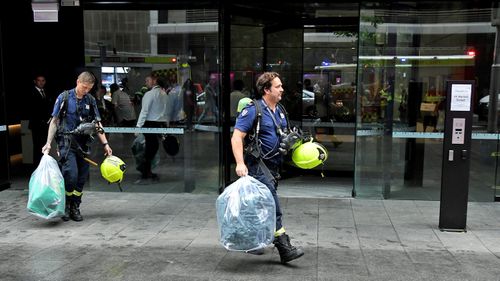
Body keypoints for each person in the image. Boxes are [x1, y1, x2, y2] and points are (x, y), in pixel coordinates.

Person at [231, 72, 304, 264]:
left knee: (259, 206)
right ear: (266, 89)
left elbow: (283, 135)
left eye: (281, 86)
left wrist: (292, 142)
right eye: (278, 86)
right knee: (272, 205)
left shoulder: (280, 110)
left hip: (274, 167)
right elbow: (237, 137)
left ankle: (249, 240)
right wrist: (240, 163)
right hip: (258, 166)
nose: (282, 89)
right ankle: (284, 247)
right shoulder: (253, 109)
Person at [42, 71, 113, 222]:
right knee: (71, 175)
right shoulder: (64, 97)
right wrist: (48, 143)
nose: (86, 91)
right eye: (84, 87)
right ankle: (67, 204)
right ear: (77, 82)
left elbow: (97, 123)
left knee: (81, 179)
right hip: (67, 144)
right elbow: (54, 121)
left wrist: (105, 143)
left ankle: (75, 206)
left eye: (89, 88)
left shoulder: (91, 100)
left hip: (84, 145)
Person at [135, 73, 169, 183]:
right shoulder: (164, 94)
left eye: (147, 80)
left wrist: (138, 127)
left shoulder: (149, 94)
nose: (146, 83)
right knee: (152, 147)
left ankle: (145, 171)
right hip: (160, 125)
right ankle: (146, 170)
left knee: (150, 148)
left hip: (149, 124)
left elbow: (144, 111)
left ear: (154, 81)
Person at [29, 74, 52, 166]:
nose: (41, 82)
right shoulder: (32, 92)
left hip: (45, 124)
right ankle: (38, 167)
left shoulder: (46, 92)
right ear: (35, 81)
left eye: (43, 80)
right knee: (38, 146)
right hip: (36, 124)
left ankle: (43, 166)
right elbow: (32, 109)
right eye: (39, 80)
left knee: (45, 145)